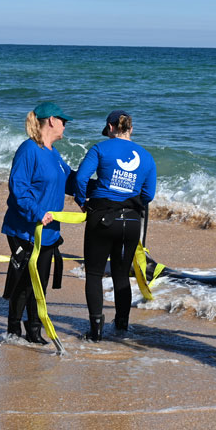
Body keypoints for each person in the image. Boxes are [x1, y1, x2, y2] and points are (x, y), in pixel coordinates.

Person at [74, 110, 157, 341]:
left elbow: (81, 179)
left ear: (110, 127)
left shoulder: (100, 149)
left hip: (101, 218)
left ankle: (95, 332)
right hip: (130, 222)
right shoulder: (147, 156)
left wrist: (82, 202)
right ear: (131, 128)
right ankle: (122, 327)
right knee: (121, 275)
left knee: (94, 274)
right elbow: (148, 194)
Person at [1, 101, 75, 344]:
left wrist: (101, 193)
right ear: (51, 120)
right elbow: (18, 187)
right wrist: (38, 212)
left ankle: (34, 330)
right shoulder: (29, 149)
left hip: (49, 232)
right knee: (24, 282)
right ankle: (13, 332)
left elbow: (70, 180)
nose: (65, 125)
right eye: (63, 121)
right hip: (25, 228)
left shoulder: (54, 153)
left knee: (40, 282)